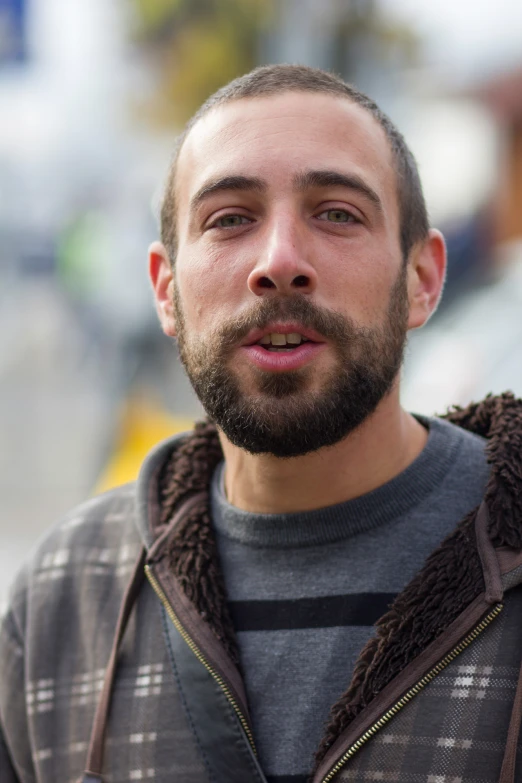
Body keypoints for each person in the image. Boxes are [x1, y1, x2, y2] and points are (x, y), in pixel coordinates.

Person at [1, 64, 521, 783]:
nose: (279, 262)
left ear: (422, 280)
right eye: (230, 218)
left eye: (337, 213)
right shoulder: (64, 602)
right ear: (166, 290)